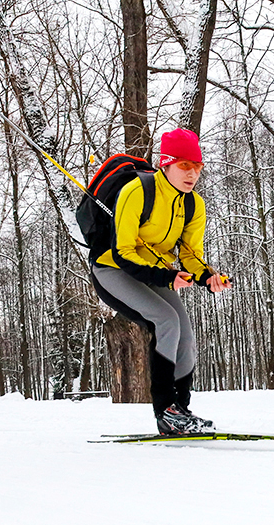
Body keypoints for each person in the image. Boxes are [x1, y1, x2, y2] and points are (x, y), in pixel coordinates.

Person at [90, 128, 231, 434]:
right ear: (165, 164)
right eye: (184, 166)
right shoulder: (137, 191)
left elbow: (192, 254)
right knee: (166, 320)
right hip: (112, 269)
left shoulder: (194, 204)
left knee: (186, 334)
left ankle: (181, 410)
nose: (192, 174)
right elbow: (123, 252)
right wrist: (166, 277)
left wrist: (208, 277)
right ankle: (165, 411)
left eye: (197, 167)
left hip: (155, 272)